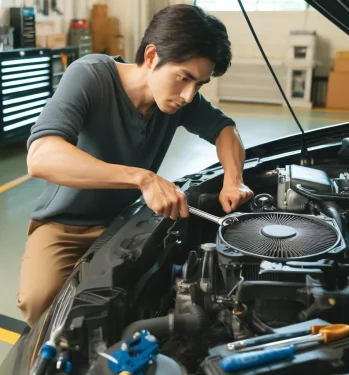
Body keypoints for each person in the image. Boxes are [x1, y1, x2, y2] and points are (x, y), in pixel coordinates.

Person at [18, 4, 253, 327]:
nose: (188, 95)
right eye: (184, 78)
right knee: (39, 301)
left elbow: (226, 130)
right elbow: (41, 156)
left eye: (199, 84)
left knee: (145, 299)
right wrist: (141, 178)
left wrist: (234, 179)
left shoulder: (177, 101)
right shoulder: (91, 76)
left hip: (125, 221)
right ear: (153, 55)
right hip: (65, 225)